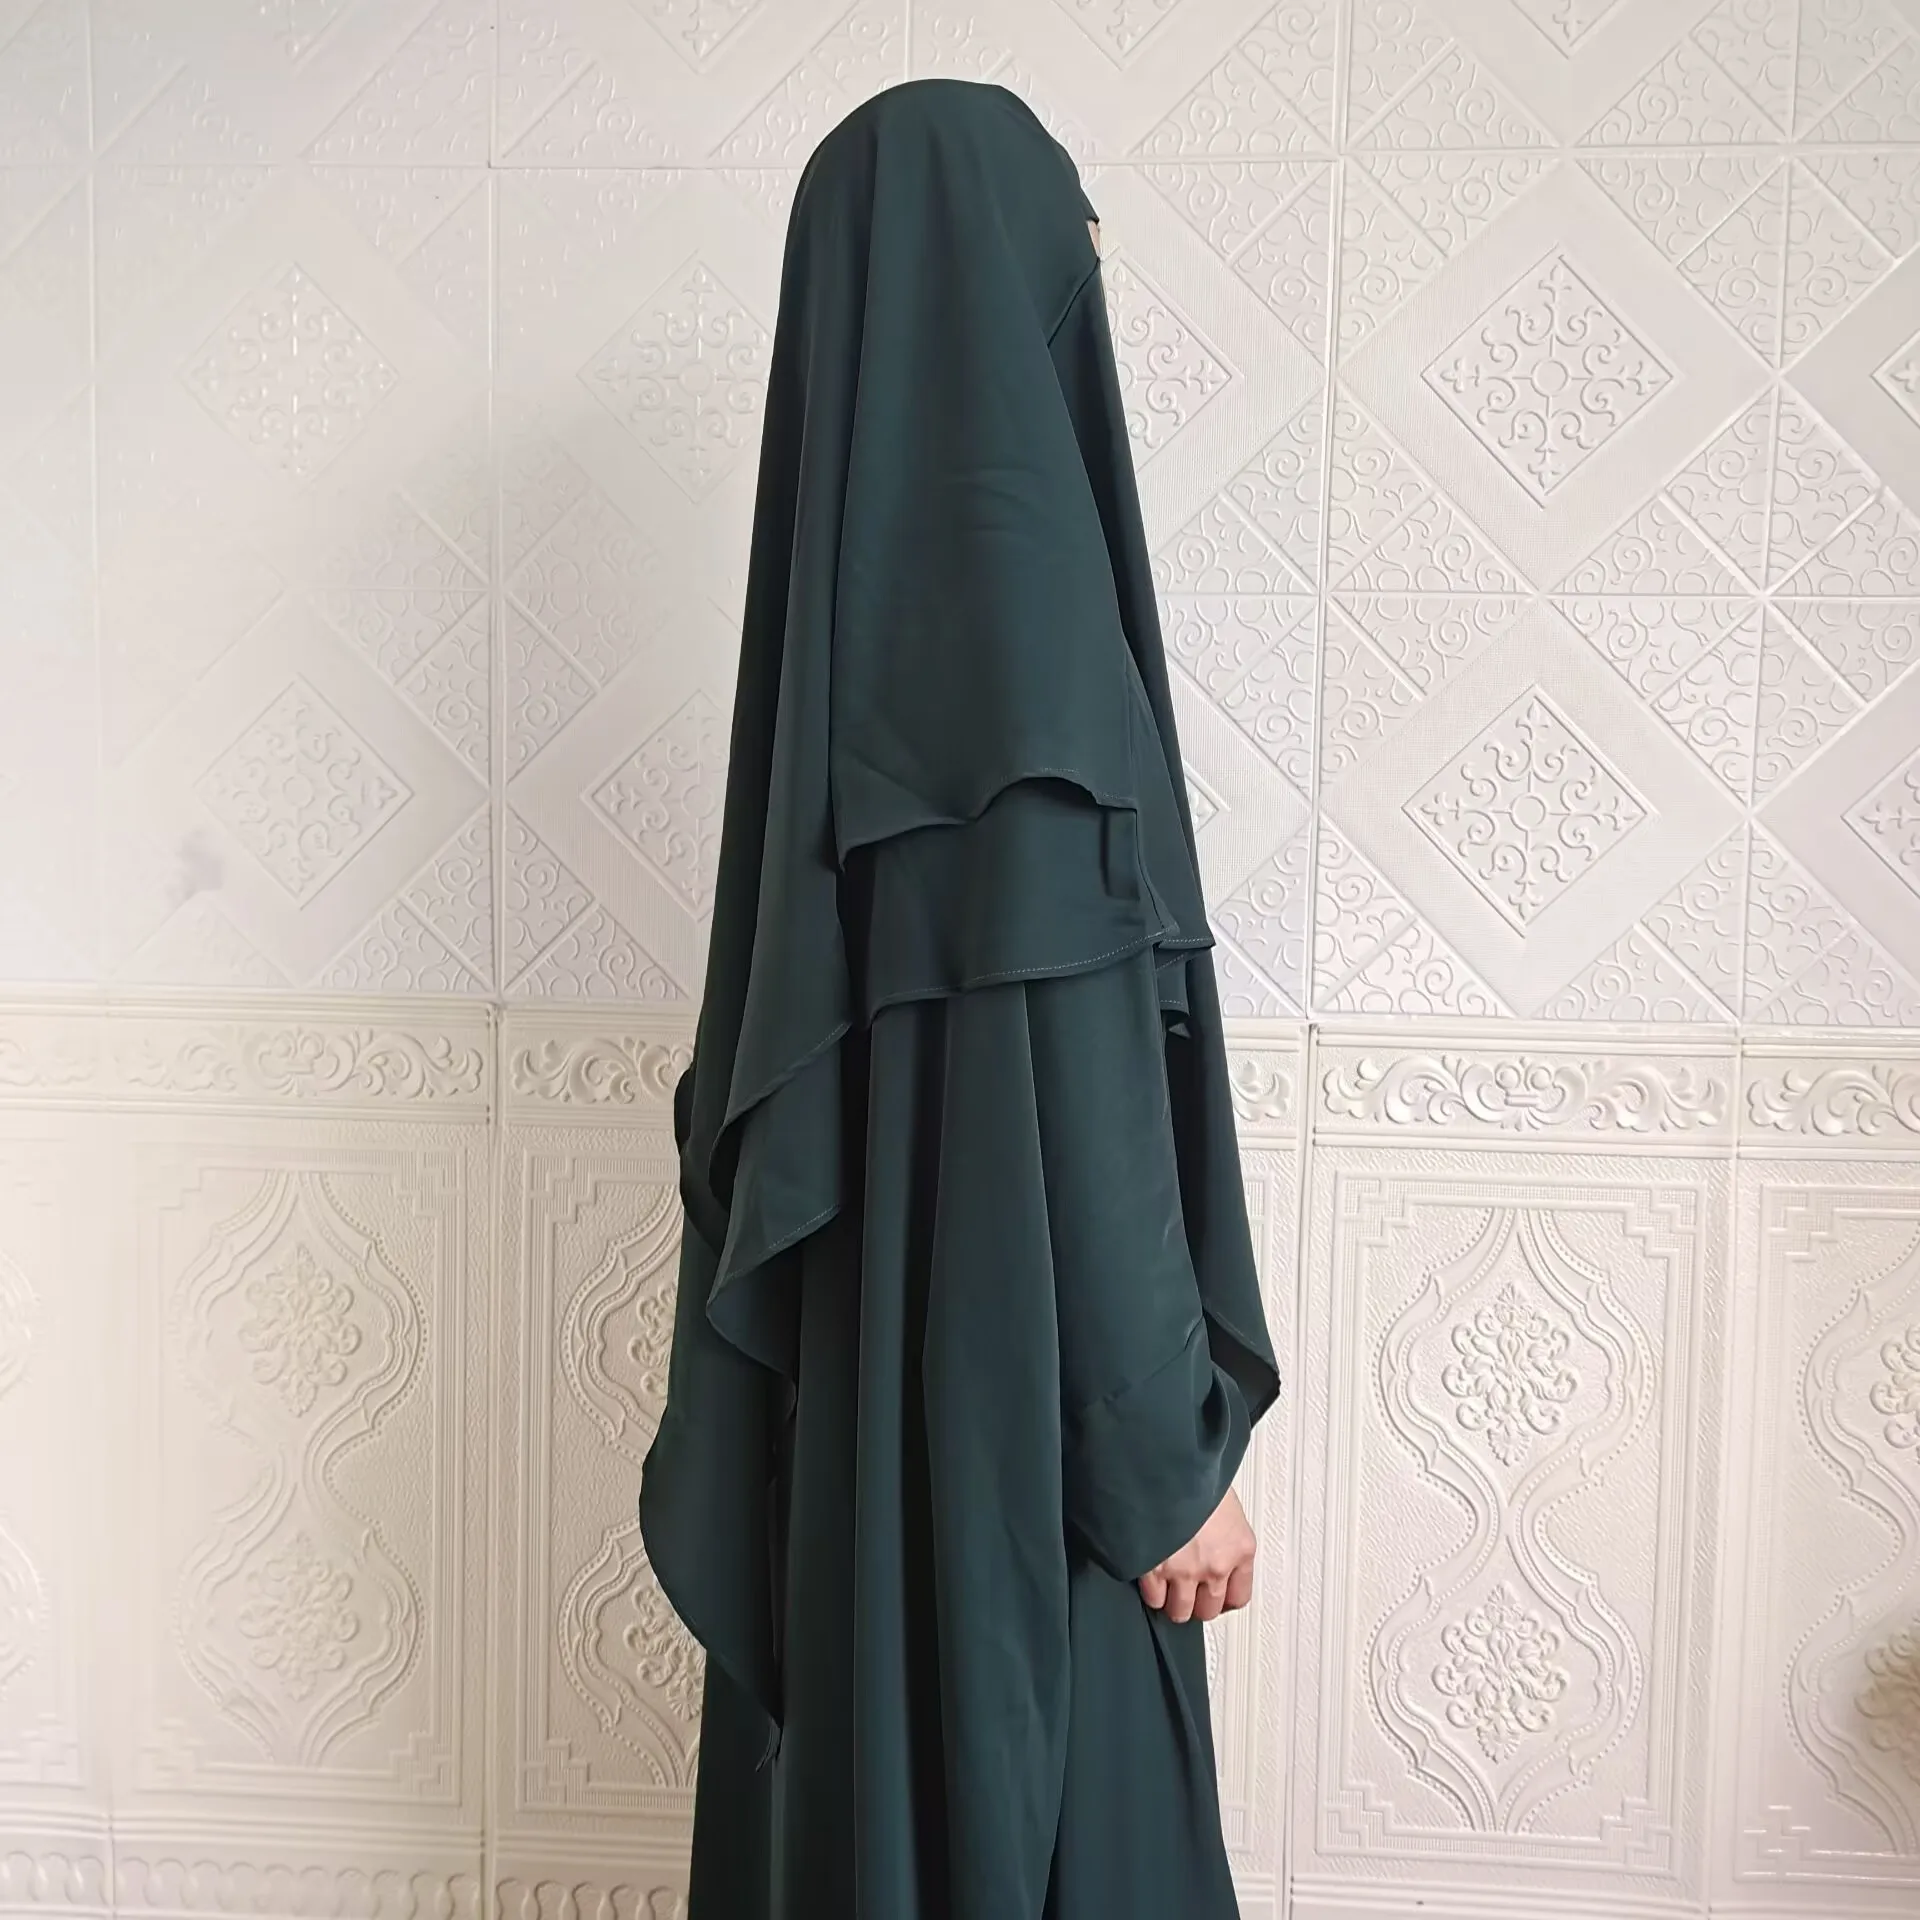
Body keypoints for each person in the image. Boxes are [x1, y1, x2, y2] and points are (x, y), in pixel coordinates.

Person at [637, 76, 1282, 1919]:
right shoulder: (1030, 643)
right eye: (1076, 256)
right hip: (1039, 1458)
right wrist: (1160, 1462)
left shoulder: (836, 674)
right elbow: (1084, 1083)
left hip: (870, 1450)